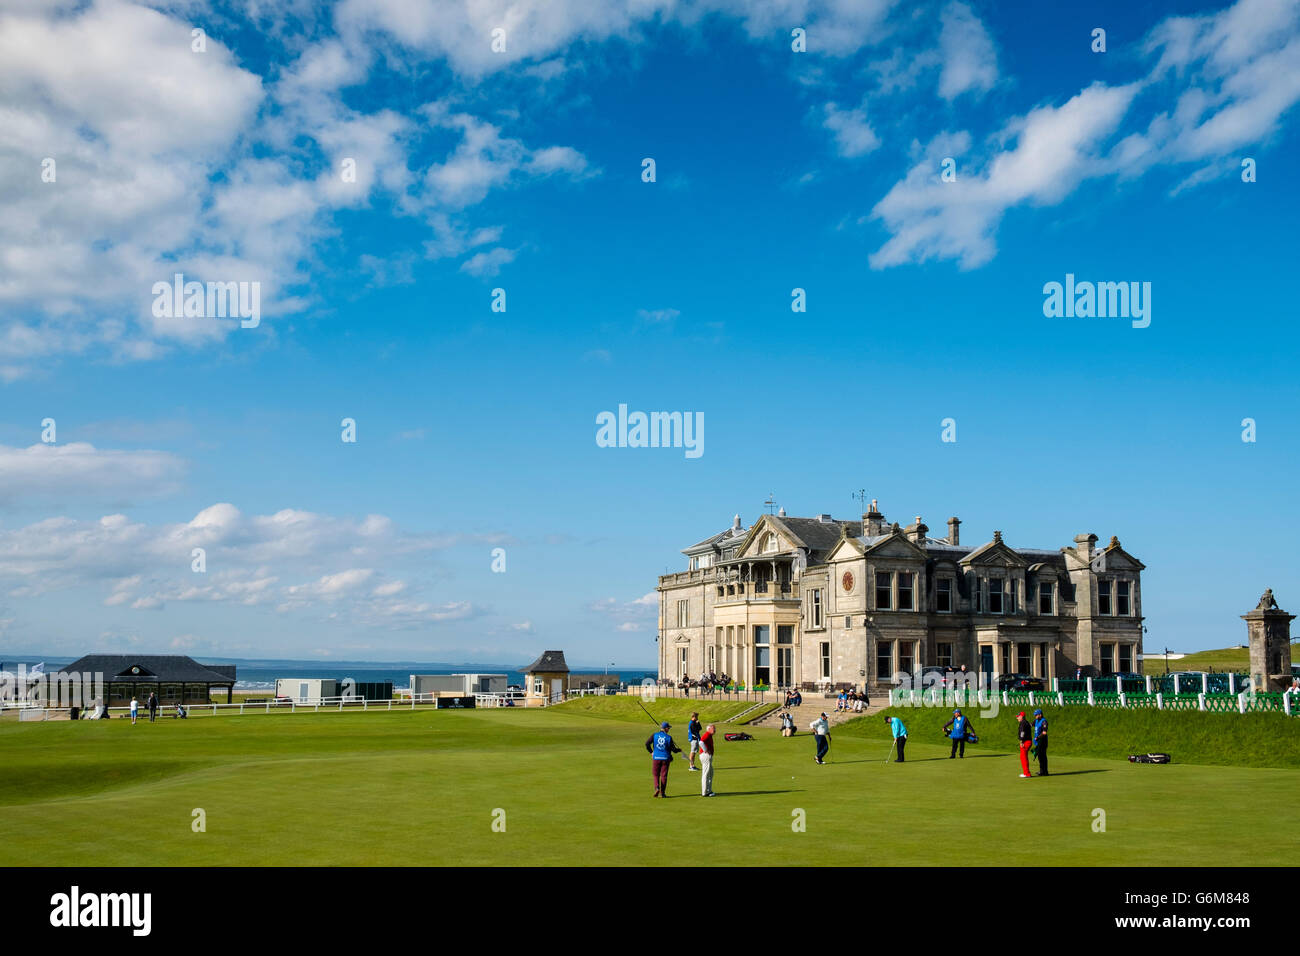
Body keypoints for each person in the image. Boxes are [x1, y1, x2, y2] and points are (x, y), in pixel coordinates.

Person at [645, 721, 682, 797]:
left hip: (656, 758)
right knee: (664, 776)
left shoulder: (654, 735)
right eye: (668, 728)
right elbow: (674, 750)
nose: (669, 729)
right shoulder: (669, 737)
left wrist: (651, 752)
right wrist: (679, 750)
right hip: (665, 758)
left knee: (656, 775)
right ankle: (663, 793)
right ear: (665, 728)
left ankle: (657, 788)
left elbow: (647, 744)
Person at [698, 723, 717, 796]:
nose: (715, 730)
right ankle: (705, 792)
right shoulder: (707, 734)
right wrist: (706, 750)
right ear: (709, 729)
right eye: (713, 729)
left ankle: (709, 790)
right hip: (706, 756)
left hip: (706, 756)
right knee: (706, 774)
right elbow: (701, 742)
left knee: (710, 774)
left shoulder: (709, 735)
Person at [1032, 708, 1049, 776]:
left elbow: (1044, 733)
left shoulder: (1044, 722)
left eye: (1036, 715)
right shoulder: (1036, 720)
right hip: (1038, 741)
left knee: (1042, 756)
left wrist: (1037, 737)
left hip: (1043, 741)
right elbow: (1030, 724)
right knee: (1039, 756)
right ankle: (1042, 771)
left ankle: (1044, 771)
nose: (1035, 716)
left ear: (1040, 714)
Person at [1016, 711, 1033, 778]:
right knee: (1023, 757)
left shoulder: (1023, 723)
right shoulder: (1026, 722)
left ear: (1021, 716)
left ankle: (1027, 773)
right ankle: (1026, 773)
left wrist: (1021, 741)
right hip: (1027, 741)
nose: (1017, 718)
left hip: (1025, 742)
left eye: (1018, 717)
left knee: (1023, 757)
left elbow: (1022, 732)